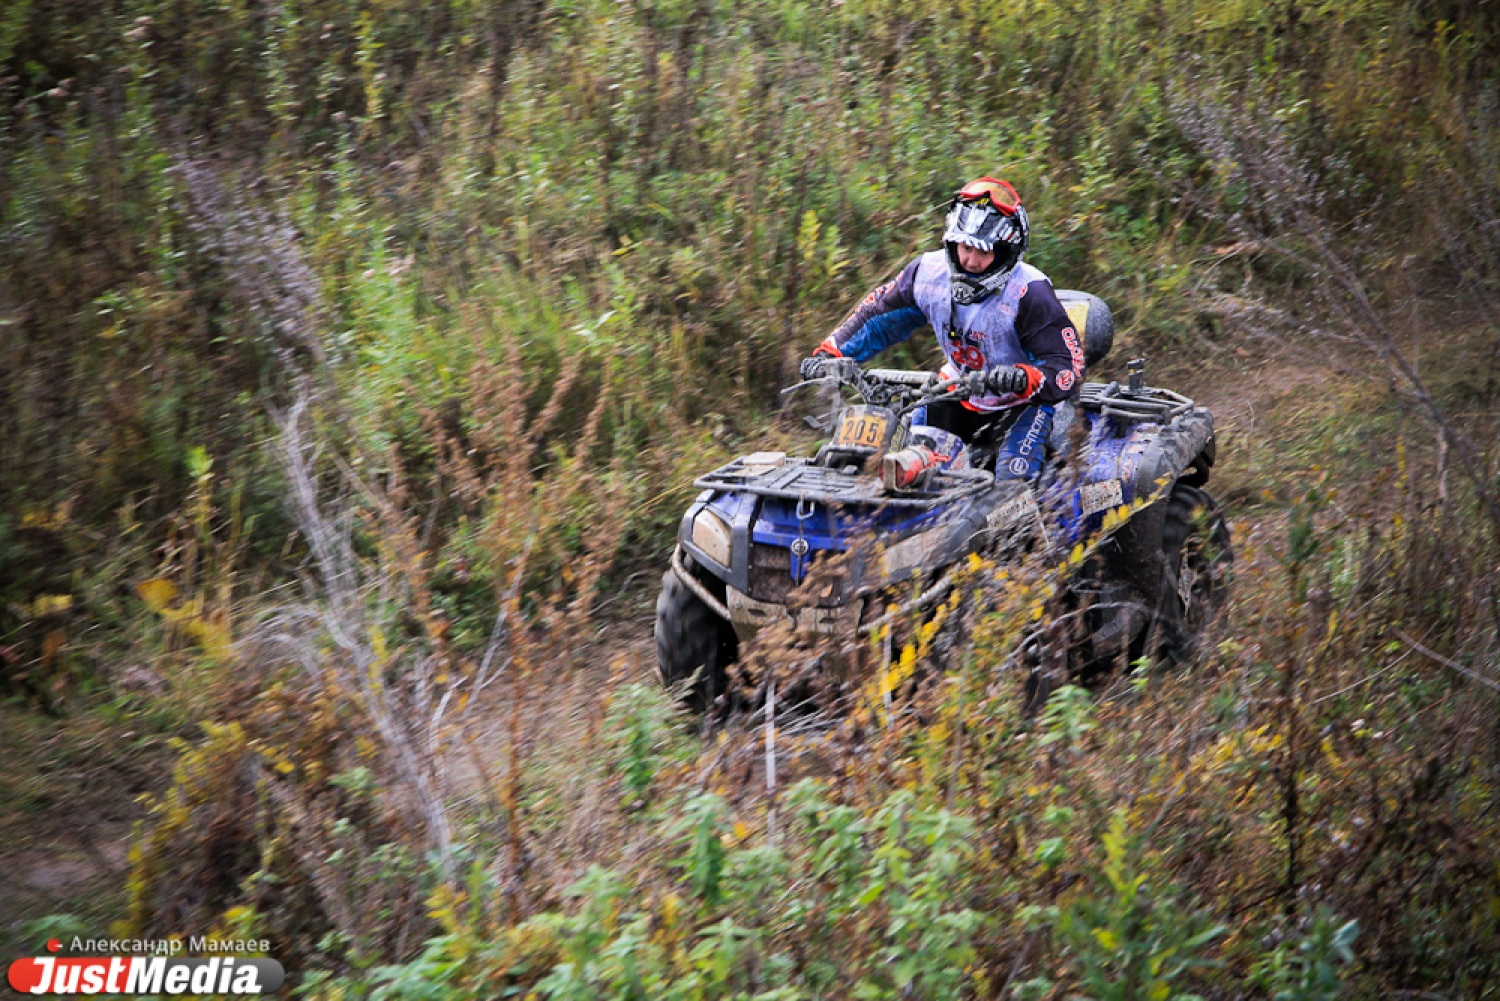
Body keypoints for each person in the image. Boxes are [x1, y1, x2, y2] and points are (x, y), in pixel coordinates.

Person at [800, 177, 1086, 489]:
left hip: (1021, 405)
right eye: (966, 247)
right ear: (952, 242)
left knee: (1012, 486)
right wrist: (831, 353)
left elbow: (1068, 367)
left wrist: (1023, 377)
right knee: (908, 472)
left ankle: (1039, 515)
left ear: (1005, 252)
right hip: (955, 390)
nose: (971, 261)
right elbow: (877, 317)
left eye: (984, 252)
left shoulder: (1030, 291)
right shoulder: (927, 273)